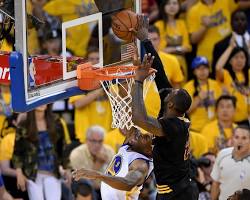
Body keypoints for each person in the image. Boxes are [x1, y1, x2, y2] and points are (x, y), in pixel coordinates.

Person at [131, 15, 199, 199]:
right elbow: (160, 73)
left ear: (170, 103)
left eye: (172, 92)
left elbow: (139, 119)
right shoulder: (177, 114)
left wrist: (138, 81)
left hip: (177, 195)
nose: (169, 89)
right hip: (182, 188)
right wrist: (145, 40)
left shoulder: (174, 126)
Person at [72, 127, 153, 200]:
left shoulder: (141, 164)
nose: (141, 134)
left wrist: (97, 175)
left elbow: (128, 183)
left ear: (149, 150)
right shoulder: (129, 145)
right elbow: (134, 121)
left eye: (146, 138)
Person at [12, 104, 71, 200]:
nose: (42, 103)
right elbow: (17, 153)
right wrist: (19, 174)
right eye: (39, 101)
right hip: (32, 174)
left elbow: (63, 148)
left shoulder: (57, 122)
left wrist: (67, 169)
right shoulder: (23, 125)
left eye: (44, 101)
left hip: (53, 172)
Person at [210, 125, 250, 200]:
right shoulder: (222, 154)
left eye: (244, 138)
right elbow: (216, 183)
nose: (240, 141)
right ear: (232, 139)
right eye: (236, 137)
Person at [215, 37, 249, 124]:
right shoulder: (226, 74)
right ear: (230, 61)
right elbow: (218, 67)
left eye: (242, 57)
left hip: (246, 120)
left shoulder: (248, 73)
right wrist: (230, 47)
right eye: (236, 57)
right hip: (230, 122)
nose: (239, 60)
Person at [154, 0, 191, 80]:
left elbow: (188, 47)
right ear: (163, 6)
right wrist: (179, 48)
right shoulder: (159, 25)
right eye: (168, 4)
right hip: (165, 61)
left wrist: (171, 49)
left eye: (175, 3)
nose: (172, 6)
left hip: (181, 62)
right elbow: (160, 49)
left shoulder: (182, 23)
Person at [183, 56, 222, 132]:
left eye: (204, 68)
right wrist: (198, 99)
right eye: (198, 68)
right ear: (194, 71)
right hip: (195, 128)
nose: (202, 71)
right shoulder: (188, 87)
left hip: (214, 127)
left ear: (209, 69)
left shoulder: (216, 84)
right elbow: (185, 111)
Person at [212, 10, 249, 77]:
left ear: (247, 22)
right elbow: (216, 71)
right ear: (231, 23)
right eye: (236, 20)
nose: (240, 22)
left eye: (243, 19)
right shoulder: (220, 46)